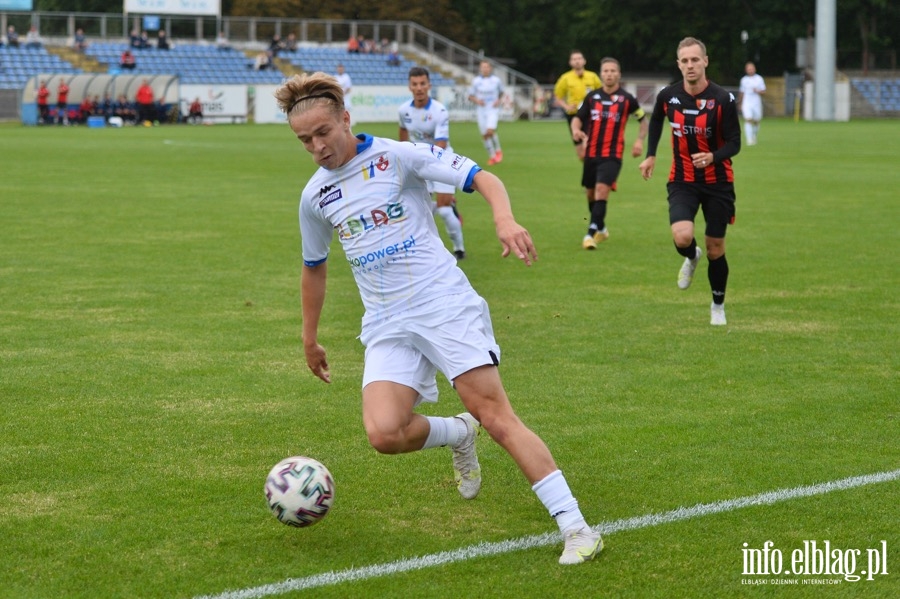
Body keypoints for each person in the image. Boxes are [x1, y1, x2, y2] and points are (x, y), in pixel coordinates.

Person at [274, 72, 603, 565]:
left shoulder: (398, 157)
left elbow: (482, 177)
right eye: (305, 140)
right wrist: (309, 337)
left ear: (346, 118)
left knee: (496, 416)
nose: (317, 147)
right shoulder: (315, 197)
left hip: (442, 303)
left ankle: (577, 527)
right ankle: (457, 432)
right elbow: (313, 268)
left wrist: (504, 218)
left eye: (323, 132)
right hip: (387, 322)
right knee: (384, 433)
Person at [638, 37, 741, 326]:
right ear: (678, 64)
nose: (690, 65)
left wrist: (713, 156)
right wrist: (651, 155)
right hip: (682, 179)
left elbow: (735, 143)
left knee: (716, 248)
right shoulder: (668, 96)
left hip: (718, 182)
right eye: (684, 60)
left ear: (705, 61)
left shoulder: (723, 99)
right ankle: (690, 256)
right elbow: (656, 120)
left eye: (695, 59)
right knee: (682, 236)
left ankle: (717, 304)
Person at [570, 57, 648, 250]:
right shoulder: (592, 97)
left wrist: (639, 140)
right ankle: (601, 228)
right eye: (606, 71)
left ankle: (590, 234)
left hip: (613, 155)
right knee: (590, 194)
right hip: (592, 153)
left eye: (613, 71)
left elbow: (643, 121)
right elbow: (577, 119)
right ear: (601, 74)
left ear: (618, 74)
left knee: (602, 191)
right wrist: (576, 131)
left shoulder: (627, 99)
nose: (609, 74)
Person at [399, 66, 467, 260]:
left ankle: (459, 249)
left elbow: (441, 143)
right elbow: (403, 136)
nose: (419, 88)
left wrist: (424, 163)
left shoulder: (440, 110)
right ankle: (426, 251)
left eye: (422, 84)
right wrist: (405, 159)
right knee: (422, 210)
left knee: (444, 211)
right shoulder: (403, 110)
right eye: (415, 84)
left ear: (429, 85)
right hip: (419, 163)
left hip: (442, 160)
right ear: (409, 87)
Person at [553, 51, 602, 161]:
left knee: (588, 144)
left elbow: (602, 92)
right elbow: (558, 96)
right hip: (574, 115)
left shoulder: (592, 76)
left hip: (590, 114)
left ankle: (594, 168)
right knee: (580, 152)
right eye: (574, 59)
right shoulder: (565, 78)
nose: (577, 61)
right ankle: (588, 168)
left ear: (584, 61)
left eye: (579, 58)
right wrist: (566, 106)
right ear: (570, 62)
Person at [467, 60, 505, 166]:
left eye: (487, 67)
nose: (485, 69)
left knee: (490, 131)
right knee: (484, 135)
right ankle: (492, 156)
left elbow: (501, 92)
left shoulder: (496, 80)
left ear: (490, 68)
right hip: (481, 110)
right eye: (483, 67)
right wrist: (477, 101)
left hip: (492, 109)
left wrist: (498, 100)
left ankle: (498, 150)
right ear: (480, 69)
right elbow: (470, 96)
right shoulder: (476, 81)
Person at [738, 61, 766, 146]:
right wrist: (740, 103)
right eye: (748, 69)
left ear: (754, 69)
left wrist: (758, 91)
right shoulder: (744, 80)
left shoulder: (759, 79)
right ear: (746, 70)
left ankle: (754, 135)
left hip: (756, 102)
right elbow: (741, 92)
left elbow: (764, 91)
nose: (750, 70)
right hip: (747, 102)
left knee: (756, 121)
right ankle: (749, 139)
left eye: (751, 68)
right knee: (748, 119)